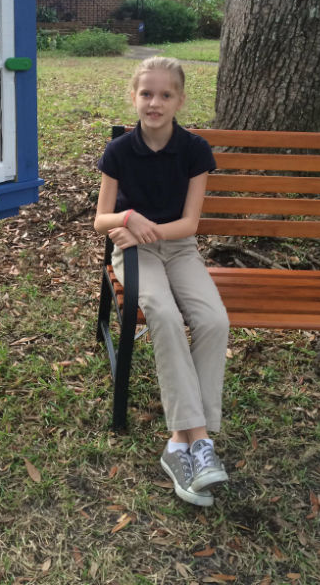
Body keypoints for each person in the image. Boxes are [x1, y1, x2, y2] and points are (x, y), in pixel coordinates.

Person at [94, 56, 229, 507]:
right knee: (165, 316)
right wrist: (129, 219)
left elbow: (190, 224)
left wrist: (143, 226)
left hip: (178, 249)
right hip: (134, 253)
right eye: (146, 93)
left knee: (213, 320)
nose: (154, 102)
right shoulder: (118, 151)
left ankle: (181, 442)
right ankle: (200, 444)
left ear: (180, 100)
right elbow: (101, 220)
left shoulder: (194, 150)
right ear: (133, 96)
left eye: (165, 94)